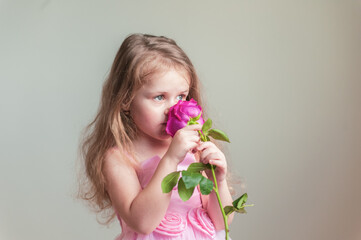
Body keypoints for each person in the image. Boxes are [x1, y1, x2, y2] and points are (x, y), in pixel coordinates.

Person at [79, 33, 234, 239]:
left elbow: (220, 221)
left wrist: (219, 182)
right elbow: (143, 223)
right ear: (126, 99)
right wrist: (171, 158)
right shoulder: (119, 158)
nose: (172, 109)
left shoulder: (193, 146)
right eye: (159, 97)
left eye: (181, 96)